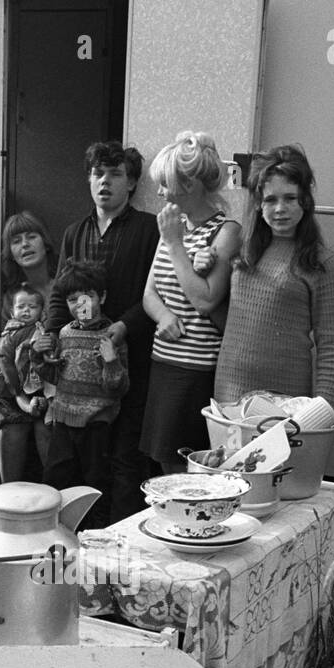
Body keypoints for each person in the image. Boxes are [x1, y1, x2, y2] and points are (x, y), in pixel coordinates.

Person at [46, 141, 159, 522]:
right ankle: (71, 537)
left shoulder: (148, 229)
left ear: (131, 183)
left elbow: (157, 293)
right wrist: (49, 334)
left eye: (115, 174)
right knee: (74, 463)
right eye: (98, 174)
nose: (105, 182)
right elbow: (60, 294)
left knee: (127, 455)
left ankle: (122, 541)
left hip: (132, 358)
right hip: (77, 379)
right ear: (89, 180)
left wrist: (123, 327)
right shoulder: (75, 232)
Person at [139, 131, 241, 475]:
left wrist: (174, 243)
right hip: (165, 362)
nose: (159, 193)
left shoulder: (226, 231)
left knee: (194, 464)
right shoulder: (174, 226)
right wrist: (163, 315)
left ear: (190, 185)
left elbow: (205, 299)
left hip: (200, 370)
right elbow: (149, 294)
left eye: (165, 184)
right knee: (165, 458)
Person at [214, 144, 334, 407]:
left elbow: (330, 346)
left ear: (305, 201)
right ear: (259, 205)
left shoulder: (322, 263)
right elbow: (222, 311)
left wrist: (322, 408)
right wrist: (205, 265)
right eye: (270, 200)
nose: (280, 208)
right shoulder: (242, 250)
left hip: (285, 400)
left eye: (290, 198)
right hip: (230, 391)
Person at [42, 260, 128, 498]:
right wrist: (38, 356)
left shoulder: (112, 335)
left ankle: (96, 533)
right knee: (54, 480)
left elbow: (118, 388)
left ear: (101, 297)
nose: (81, 305)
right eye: (72, 300)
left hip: (96, 425)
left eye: (87, 296)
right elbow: (52, 375)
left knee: (95, 485)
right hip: (63, 421)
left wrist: (111, 361)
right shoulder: (64, 333)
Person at [0, 212, 59, 483]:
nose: (25, 244)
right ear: (10, 252)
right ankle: (5, 503)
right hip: (19, 382)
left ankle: (55, 503)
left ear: (45, 243)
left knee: (47, 429)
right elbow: (8, 351)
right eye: (16, 240)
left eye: (31, 236)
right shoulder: (10, 295)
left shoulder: (61, 286)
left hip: (58, 380)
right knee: (11, 428)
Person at [0, 286, 55, 423]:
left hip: (39, 379)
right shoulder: (11, 333)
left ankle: (49, 405)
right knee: (19, 396)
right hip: (16, 379)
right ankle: (29, 408)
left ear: (42, 312)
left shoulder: (43, 328)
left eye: (32, 307)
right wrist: (14, 385)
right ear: (12, 313)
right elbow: (4, 357)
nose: (26, 310)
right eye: (21, 307)